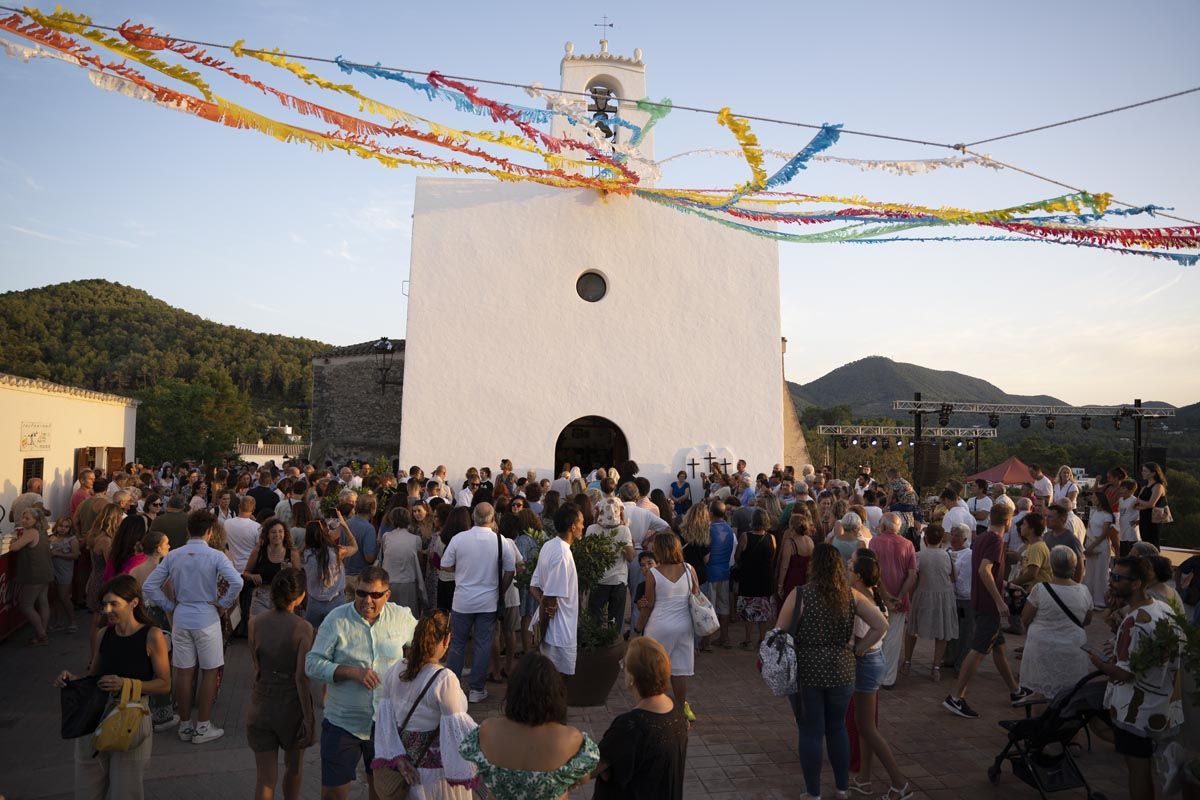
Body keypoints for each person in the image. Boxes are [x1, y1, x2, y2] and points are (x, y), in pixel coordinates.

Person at [776, 543, 888, 800]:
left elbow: (779, 632)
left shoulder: (801, 594)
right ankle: (842, 788)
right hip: (842, 669)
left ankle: (813, 792)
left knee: (810, 730)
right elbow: (881, 624)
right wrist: (859, 648)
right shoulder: (851, 596)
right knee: (837, 728)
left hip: (808, 670)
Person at [305, 565, 419, 800]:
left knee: (382, 793)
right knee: (333, 795)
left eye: (375, 595)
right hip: (342, 724)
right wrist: (349, 672)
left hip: (386, 726)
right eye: (361, 593)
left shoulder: (401, 618)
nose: (367, 600)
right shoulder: (336, 619)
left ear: (387, 595)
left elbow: (422, 649)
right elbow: (312, 663)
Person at [55, 575, 171, 800]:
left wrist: (127, 684)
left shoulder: (152, 635)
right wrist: (72, 680)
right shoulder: (103, 634)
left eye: (114, 604)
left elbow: (165, 684)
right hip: (96, 716)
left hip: (132, 717)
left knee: (125, 790)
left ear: (134, 603)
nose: (107, 610)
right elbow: (94, 677)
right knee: (87, 786)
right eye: (104, 604)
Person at [144, 509, 245, 744]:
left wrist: (169, 605)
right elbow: (236, 582)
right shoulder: (216, 556)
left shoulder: (174, 555)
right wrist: (223, 604)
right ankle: (203, 726)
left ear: (189, 530)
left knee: (183, 671)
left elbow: (150, 586)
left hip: (182, 615)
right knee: (210, 671)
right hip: (206, 616)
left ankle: (186, 724)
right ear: (210, 532)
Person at [1089, 556, 1185, 800]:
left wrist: (1098, 662)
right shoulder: (1162, 607)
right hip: (1160, 701)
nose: (1111, 581)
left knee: (1137, 770)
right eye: (1112, 574)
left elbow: (1124, 673)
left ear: (1136, 584)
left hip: (1136, 708)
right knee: (1140, 764)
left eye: (1117, 578)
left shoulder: (1135, 622)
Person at [459, 653, 599, 800]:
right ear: (555, 694)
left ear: (513, 691)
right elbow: (583, 778)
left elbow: (469, 759)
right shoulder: (571, 738)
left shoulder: (487, 730)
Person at [372, 609, 479, 798]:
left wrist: (399, 761)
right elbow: (462, 732)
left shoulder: (395, 670)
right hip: (437, 780)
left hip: (408, 773)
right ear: (446, 640)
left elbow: (384, 725)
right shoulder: (444, 680)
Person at [943, 505, 1027, 719]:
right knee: (979, 650)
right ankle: (956, 697)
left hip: (979, 600)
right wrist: (1000, 601)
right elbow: (984, 570)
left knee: (998, 648)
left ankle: (1015, 691)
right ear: (1008, 522)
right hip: (989, 605)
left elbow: (987, 571)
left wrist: (1006, 584)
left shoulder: (980, 538)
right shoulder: (996, 541)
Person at [247, 568, 316, 800]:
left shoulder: (254, 623)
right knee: (294, 768)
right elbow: (301, 677)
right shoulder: (303, 628)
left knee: (265, 778)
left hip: (262, 701)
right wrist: (309, 717)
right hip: (291, 704)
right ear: (300, 596)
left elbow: (256, 667)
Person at [847, 550, 910, 800]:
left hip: (867, 664)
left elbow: (869, 633)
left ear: (859, 576)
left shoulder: (863, 600)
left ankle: (899, 783)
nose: (848, 570)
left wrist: (857, 651)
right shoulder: (872, 596)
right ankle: (864, 778)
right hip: (872, 662)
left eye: (851, 567)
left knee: (868, 728)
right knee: (865, 727)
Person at [593, 636, 689, 800]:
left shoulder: (630, 726)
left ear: (631, 678)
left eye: (624, 667)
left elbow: (595, 766)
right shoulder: (677, 714)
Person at [442, 503, 515, 704]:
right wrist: (501, 590)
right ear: (492, 519)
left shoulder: (459, 539)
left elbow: (445, 564)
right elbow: (511, 569)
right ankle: (476, 688)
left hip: (462, 600)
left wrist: (461, 572)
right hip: (488, 601)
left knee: (457, 644)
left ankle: (452, 688)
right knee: (483, 644)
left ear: (473, 517)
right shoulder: (500, 541)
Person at [636, 531, 701, 722]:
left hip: (659, 626)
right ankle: (681, 711)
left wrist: (636, 630)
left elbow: (648, 605)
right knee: (679, 672)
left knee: (655, 670)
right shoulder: (689, 569)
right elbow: (695, 595)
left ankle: (657, 710)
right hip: (683, 625)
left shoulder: (653, 573)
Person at [1018, 546, 1093, 703]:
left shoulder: (1040, 589)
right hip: (1073, 647)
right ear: (1073, 567)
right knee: (1068, 697)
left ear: (1052, 565)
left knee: (1041, 694)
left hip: (1042, 646)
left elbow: (1025, 618)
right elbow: (1086, 620)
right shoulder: (1083, 591)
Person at [530, 504, 584, 679]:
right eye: (581, 523)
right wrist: (542, 633)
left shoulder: (549, 545)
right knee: (557, 685)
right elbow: (550, 599)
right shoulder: (562, 554)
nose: (583, 526)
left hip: (552, 632)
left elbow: (534, 587)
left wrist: (544, 603)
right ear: (572, 526)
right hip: (558, 635)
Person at [902, 526, 958, 682]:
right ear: (942, 539)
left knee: (912, 629)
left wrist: (911, 597)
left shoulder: (919, 556)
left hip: (923, 593)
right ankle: (936, 667)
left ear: (925, 539)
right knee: (942, 631)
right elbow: (954, 577)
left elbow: (914, 579)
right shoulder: (948, 556)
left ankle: (907, 662)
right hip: (944, 595)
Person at [868, 513, 917, 688]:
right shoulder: (908, 544)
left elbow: (873, 571)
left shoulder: (874, 542)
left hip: (879, 598)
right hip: (898, 599)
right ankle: (888, 678)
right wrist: (900, 595)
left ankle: (876, 674)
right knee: (894, 639)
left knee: (876, 636)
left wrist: (886, 595)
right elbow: (912, 575)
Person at [301, 514, 358, 629]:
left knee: (311, 634)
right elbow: (354, 546)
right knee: (337, 634)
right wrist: (344, 526)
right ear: (325, 533)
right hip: (336, 600)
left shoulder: (305, 554)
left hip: (314, 601)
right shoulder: (337, 552)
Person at [585, 497, 634, 628]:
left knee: (594, 620)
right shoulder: (624, 530)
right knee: (615, 621)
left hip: (598, 580)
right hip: (618, 580)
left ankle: (595, 646)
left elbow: (587, 554)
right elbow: (630, 557)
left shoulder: (591, 529)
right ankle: (614, 646)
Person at [733, 508, 777, 649]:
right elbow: (773, 556)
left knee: (748, 611)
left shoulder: (745, 536)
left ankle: (748, 640)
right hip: (765, 578)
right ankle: (762, 639)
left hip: (749, 578)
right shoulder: (771, 538)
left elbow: (737, 556)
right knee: (763, 611)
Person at [10, 507, 54, 645]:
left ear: (36, 520)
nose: (24, 520)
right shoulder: (42, 531)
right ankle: (42, 632)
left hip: (35, 574)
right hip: (45, 571)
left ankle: (41, 635)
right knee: (42, 602)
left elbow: (14, 548)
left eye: (27, 518)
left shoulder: (31, 532)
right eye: (23, 517)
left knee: (26, 605)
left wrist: (13, 542)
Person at [243, 516, 302, 617]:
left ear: (285, 533)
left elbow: (299, 578)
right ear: (267, 535)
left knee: (280, 631)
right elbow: (246, 573)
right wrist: (252, 576)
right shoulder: (258, 552)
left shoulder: (292, 553)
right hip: (261, 596)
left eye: (280, 531)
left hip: (283, 598)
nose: (277, 535)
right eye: (273, 532)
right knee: (259, 628)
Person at [378, 506, 427, 615]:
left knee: (389, 615)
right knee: (407, 616)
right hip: (408, 583)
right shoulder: (415, 539)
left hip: (389, 582)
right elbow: (420, 562)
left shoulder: (386, 537)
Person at [706, 500, 737, 648]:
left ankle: (707, 640)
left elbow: (706, 551)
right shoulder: (729, 529)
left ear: (710, 513)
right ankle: (724, 637)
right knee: (724, 606)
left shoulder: (709, 529)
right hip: (725, 571)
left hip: (711, 571)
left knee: (709, 607)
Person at [1083, 492, 1119, 609]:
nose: (1092, 498)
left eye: (1094, 497)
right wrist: (1086, 545)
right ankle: (1089, 600)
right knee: (1090, 574)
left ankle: (1100, 601)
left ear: (1100, 500)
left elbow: (1104, 534)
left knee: (1100, 574)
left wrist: (1092, 546)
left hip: (1100, 546)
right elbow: (1088, 528)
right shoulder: (1093, 512)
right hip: (1090, 544)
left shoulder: (1107, 515)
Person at [48, 514, 82, 633]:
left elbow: (76, 555)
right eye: (61, 526)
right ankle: (58, 621)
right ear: (56, 526)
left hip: (65, 572)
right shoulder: (51, 538)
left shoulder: (72, 539)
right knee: (56, 597)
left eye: (66, 527)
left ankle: (73, 621)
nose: (63, 528)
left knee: (64, 596)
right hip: (53, 570)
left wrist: (58, 554)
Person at [776, 510, 813, 606]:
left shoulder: (790, 543)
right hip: (806, 580)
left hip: (792, 581)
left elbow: (784, 566)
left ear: (792, 526)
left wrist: (780, 585)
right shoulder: (810, 541)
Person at [1043, 505, 1084, 582]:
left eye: (1050, 517)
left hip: (1065, 584)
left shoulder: (1071, 539)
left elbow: (1080, 566)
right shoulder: (1046, 536)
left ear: (1062, 519)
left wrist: (1076, 586)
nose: (1046, 519)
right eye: (1046, 516)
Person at [1133, 462, 1167, 549]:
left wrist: (1139, 501)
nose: (1142, 473)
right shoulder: (1144, 487)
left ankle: (1156, 562)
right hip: (1144, 517)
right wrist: (1143, 505)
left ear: (1153, 473)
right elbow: (1136, 506)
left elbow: (1151, 504)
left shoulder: (1158, 486)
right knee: (1145, 543)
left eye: (1145, 471)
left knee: (1153, 544)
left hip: (1153, 519)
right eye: (1143, 471)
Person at [1116, 478, 1141, 557]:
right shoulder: (1120, 500)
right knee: (1123, 554)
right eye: (1121, 488)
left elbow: (1142, 513)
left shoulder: (1135, 501)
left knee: (1131, 555)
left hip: (1131, 531)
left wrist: (1137, 522)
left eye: (1123, 488)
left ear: (1131, 490)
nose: (1121, 490)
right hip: (1123, 530)